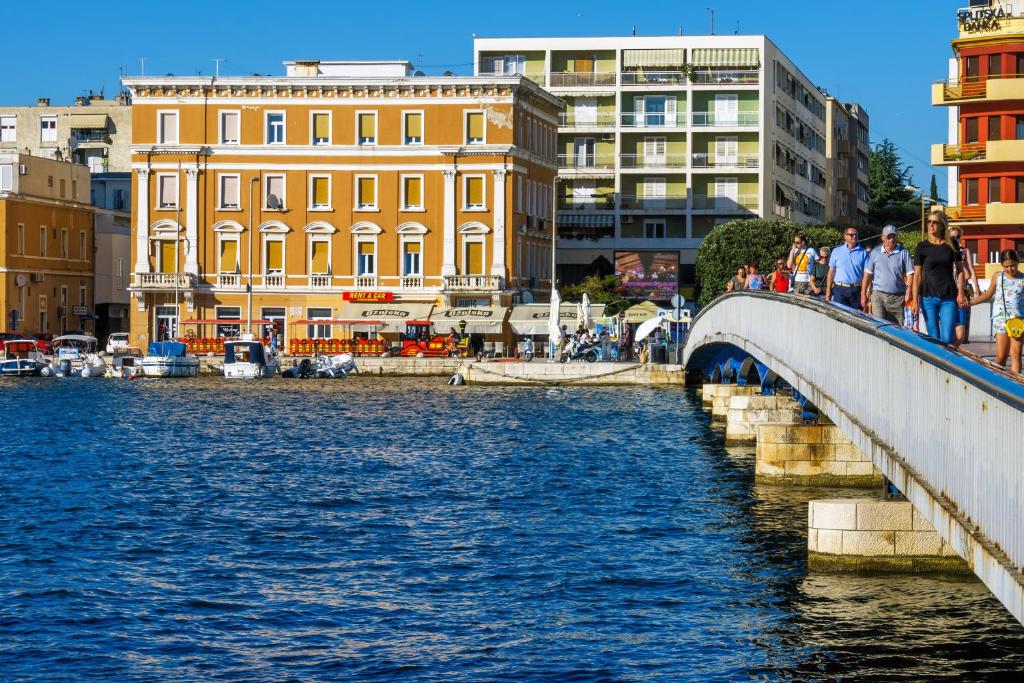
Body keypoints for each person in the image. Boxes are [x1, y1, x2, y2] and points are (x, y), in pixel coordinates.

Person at [911, 211, 966, 344]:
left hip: (948, 296)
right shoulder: (922, 247)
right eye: (929, 222)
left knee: (946, 338)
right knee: (933, 338)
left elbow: (960, 270)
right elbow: (917, 275)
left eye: (935, 222)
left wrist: (961, 292)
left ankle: (947, 362)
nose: (931, 225)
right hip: (928, 297)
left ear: (942, 225)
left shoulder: (951, 244)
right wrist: (914, 300)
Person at [969, 249, 1024, 374]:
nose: (1010, 269)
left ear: (1018, 262)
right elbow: (988, 294)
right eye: (1006, 266)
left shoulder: (1022, 279)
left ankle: (1016, 385)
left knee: (1016, 354)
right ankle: (997, 382)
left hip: (1018, 321)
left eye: (1013, 265)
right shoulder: (998, 276)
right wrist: (971, 303)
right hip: (1001, 319)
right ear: (1002, 265)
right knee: (1001, 356)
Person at [861, 225, 914, 325]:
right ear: (883, 238)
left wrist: (909, 290)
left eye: (894, 236)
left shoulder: (904, 252)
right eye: (889, 237)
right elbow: (867, 274)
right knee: (879, 326)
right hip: (878, 295)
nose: (891, 239)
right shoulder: (875, 252)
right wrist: (863, 293)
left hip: (897, 298)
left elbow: (910, 274)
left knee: (896, 329)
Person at [949, 226, 981, 348]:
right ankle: (951, 339)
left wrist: (976, 286)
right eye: (952, 237)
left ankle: (962, 339)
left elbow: (970, 270)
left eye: (957, 237)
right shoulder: (946, 250)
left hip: (962, 287)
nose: (955, 239)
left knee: (964, 314)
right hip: (949, 288)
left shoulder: (964, 251)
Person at [826, 227, 870, 309]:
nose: (854, 236)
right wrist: (828, 290)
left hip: (856, 290)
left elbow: (867, 274)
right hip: (839, 289)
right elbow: (831, 272)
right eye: (851, 235)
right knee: (839, 316)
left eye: (856, 235)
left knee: (856, 317)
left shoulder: (863, 253)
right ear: (845, 236)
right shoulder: (836, 251)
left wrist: (865, 292)